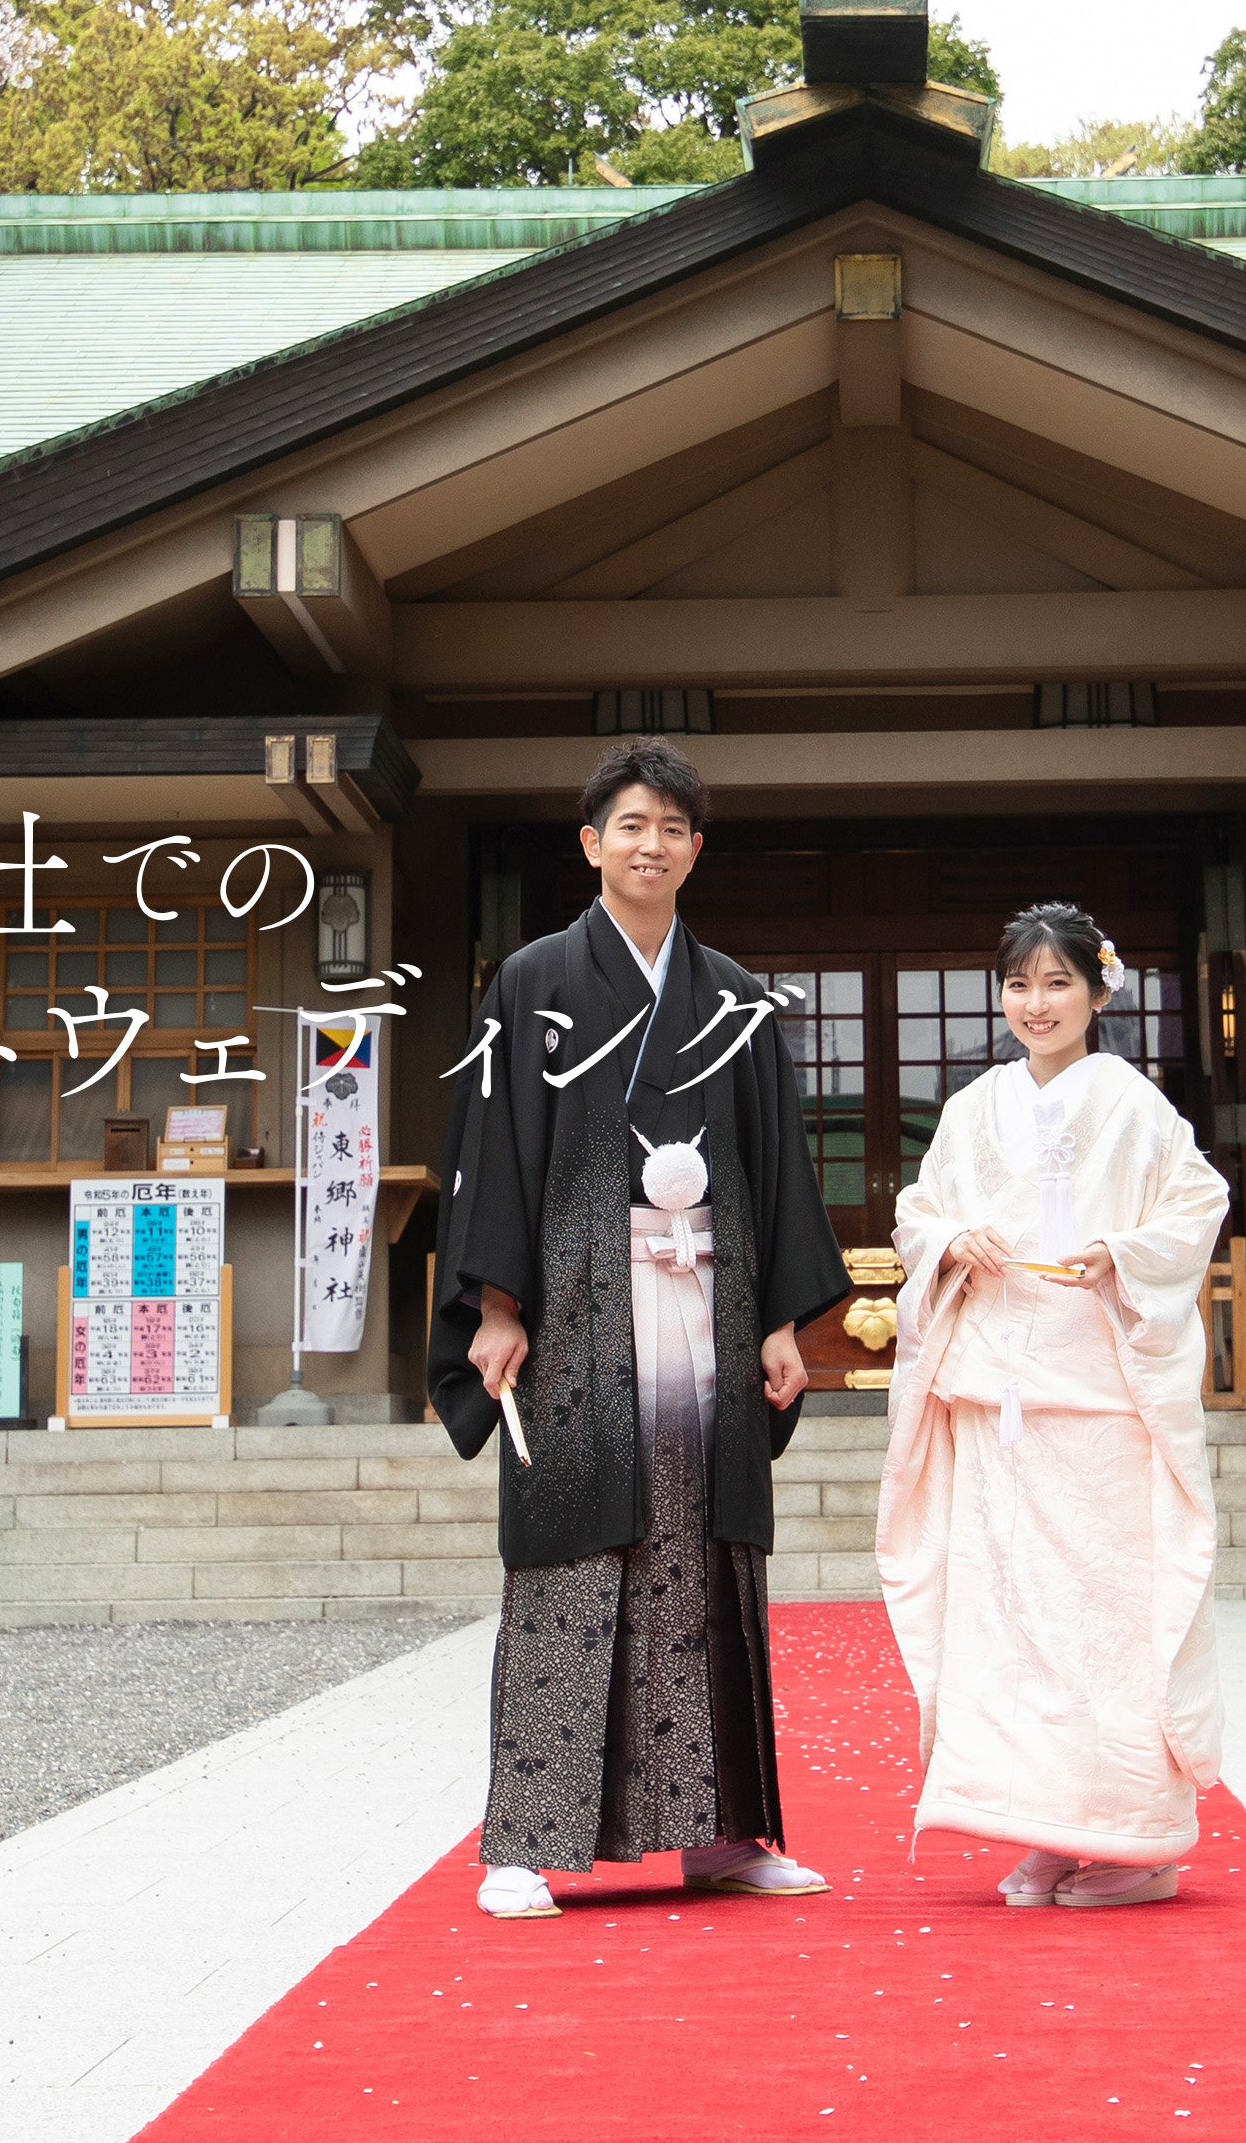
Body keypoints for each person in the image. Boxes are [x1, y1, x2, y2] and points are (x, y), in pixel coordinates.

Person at [430, 736, 850, 1920]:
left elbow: (774, 1165)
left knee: (707, 1558)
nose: (649, 845)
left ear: (694, 850)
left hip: (712, 1303)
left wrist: (779, 1322)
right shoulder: (532, 982)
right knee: (569, 1556)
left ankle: (721, 1835)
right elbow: (490, 1151)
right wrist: (495, 1305)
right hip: (575, 1309)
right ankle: (525, 1842)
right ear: (590, 844)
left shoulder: (736, 999)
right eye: (629, 825)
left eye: (671, 828)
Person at [877, 901, 1234, 1908]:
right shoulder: (971, 1107)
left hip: (1099, 1393)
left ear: (1096, 991)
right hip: (996, 1389)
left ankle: (1134, 1842)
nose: (1036, 1004)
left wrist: (1121, 1251)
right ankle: (1042, 1827)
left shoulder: (1132, 1103)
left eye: (1057, 983)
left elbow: (1196, 1202)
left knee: (1104, 1619)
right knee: (1008, 1620)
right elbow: (918, 1209)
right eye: (1019, 984)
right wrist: (952, 1240)